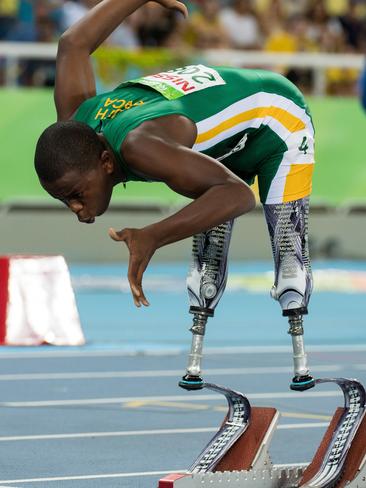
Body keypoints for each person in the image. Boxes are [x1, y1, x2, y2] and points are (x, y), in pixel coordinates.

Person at [34, 0, 315, 390]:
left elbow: (237, 196)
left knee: (287, 252)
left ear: (106, 162)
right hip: (220, 138)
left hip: (276, 118)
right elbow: (72, 45)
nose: (78, 210)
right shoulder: (75, 125)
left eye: (76, 195)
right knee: (206, 232)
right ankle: (198, 358)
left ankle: (301, 363)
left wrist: (153, 235)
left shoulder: (139, 147)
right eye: (66, 201)